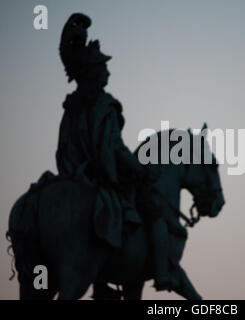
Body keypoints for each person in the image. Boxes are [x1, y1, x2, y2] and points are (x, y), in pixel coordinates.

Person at [56, 13, 171, 291]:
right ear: (96, 73)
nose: (108, 71)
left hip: (74, 172)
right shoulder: (105, 105)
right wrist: (140, 168)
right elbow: (113, 147)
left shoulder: (73, 105)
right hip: (101, 174)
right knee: (151, 207)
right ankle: (162, 270)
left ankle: (100, 282)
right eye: (104, 67)